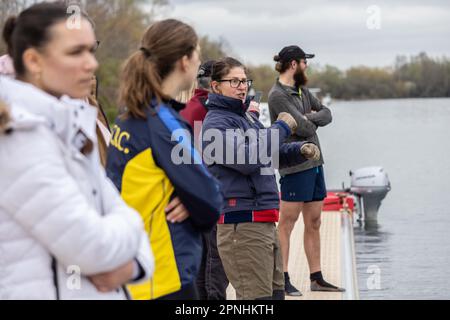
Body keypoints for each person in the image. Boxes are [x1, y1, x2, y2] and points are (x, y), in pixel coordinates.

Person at [0, 2, 154, 300]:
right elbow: (93, 246)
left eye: (90, 50)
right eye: (75, 52)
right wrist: (133, 227)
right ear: (33, 60)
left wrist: (132, 265)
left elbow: (121, 223)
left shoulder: (69, 127)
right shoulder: (15, 135)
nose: (91, 64)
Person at [106, 19, 223, 300]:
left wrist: (187, 194)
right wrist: (193, 198)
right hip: (163, 274)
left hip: (131, 266)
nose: (199, 61)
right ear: (185, 61)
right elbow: (210, 205)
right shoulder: (166, 125)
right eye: (197, 53)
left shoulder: (128, 115)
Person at [201, 57, 321, 300]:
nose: (242, 87)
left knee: (275, 296)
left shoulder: (247, 118)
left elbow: (269, 154)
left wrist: (298, 150)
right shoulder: (215, 124)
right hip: (241, 224)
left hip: (263, 221)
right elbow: (247, 159)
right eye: (234, 81)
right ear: (215, 86)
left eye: (245, 81)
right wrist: (281, 129)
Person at [268, 45, 344, 295]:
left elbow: (328, 114)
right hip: (294, 165)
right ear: (293, 64)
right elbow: (302, 128)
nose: (307, 66)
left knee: (314, 221)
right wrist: (310, 118)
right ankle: (283, 278)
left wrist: (308, 118)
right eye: (305, 61)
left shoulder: (302, 90)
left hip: (315, 163)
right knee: (287, 223)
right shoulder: (277, 95)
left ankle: (316, 277)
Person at [179, 60, 230, 300]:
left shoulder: (188, 106)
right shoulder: (208, 111)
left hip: (188, 193)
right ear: (215, 85)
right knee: (217, 259)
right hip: (206, 192)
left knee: (202, 259)